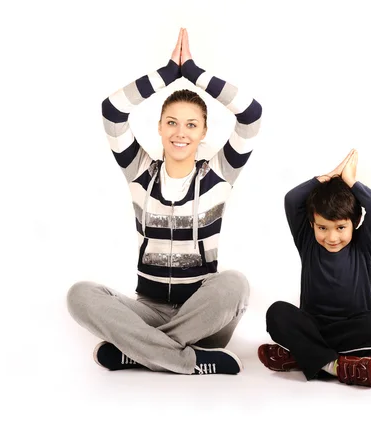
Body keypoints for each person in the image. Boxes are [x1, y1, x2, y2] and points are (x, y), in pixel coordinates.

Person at [67, 28, 262, 375]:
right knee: (79, 294)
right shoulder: (139, 171)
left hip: (204, 318)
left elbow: (251, 116)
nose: (180, 132)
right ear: (159, 127)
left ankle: (140, 351)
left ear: (203, 132)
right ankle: (184, 359)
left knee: (236, 284)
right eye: (171, 122)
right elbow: (112, 112)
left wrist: (196, 74)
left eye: (191, 124)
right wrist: (167, 74)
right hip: (148, 311)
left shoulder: (220, 173)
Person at [258, 149, 371, 386]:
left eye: (340, 228)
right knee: (276, 313)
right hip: (312, 326)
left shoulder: (364, 246)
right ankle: (337, 366)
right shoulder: (307, 241)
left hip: (350, 329)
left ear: (355, 223)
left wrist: (350, 181)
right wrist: (327, 177)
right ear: (312, 224)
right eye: (322, 228)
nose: (331, 237)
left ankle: (302, 355)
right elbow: (291, 199)